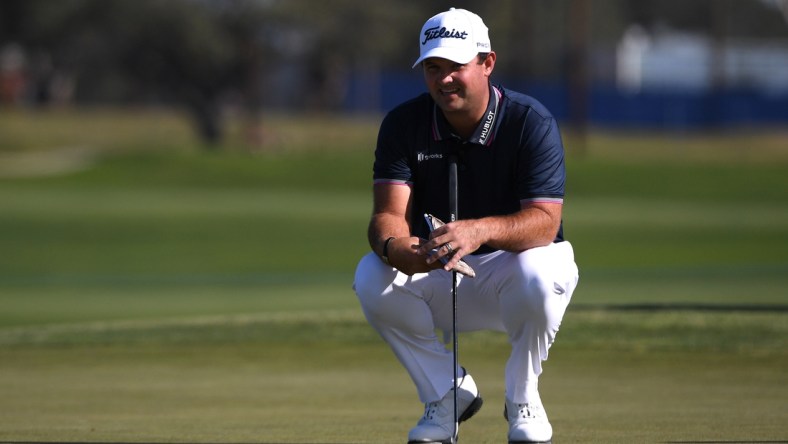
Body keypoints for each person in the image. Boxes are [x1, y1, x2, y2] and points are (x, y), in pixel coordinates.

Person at [353, 7, 579, 444]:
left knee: (543, 269)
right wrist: (397, 248)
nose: (444, 80)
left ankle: (522, 397)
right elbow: (386, 217)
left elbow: (545, 223)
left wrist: (477, 231)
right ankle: (447, 393)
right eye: (433, 68)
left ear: (487, 63)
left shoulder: (530, 122)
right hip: (441, 271)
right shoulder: (404, 124)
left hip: (514, 275)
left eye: (456, 66)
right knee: (371, 273)